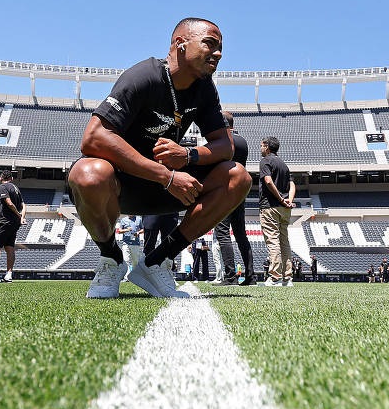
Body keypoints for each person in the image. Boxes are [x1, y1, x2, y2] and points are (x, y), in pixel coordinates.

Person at [67, 17, 249, 299]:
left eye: (220, 47)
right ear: (180, 44)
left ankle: (157, 262)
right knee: (87, 173)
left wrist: (187, 155)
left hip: (169, 188)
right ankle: (111, 259)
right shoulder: (144, 76)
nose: (219, 53)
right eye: (210, 44)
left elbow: (225, 146)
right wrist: (167, 176)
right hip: (124, 186)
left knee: (237, 176)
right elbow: (93, 137)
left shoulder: (204, 87)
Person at [213, 111, 255, 286]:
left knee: (223, 234)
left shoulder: (222, 142)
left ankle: (230, 276)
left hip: (224, 191)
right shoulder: (242, 141)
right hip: (240, 193)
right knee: (240, 234)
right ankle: (251, 276)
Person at [258, 136, 295, 287]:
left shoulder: (265, 161)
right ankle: (287, 278)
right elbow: (292, 185)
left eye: (261, 145)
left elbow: (267, 180)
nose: (260, 148)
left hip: (270, 206)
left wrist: (280, 199)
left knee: (273, 241)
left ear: (267, 146)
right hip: (285, 209)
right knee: (284, 242)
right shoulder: (284, 165)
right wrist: (288, 201)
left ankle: (274, 277)